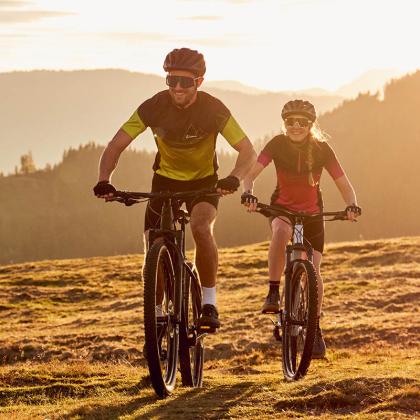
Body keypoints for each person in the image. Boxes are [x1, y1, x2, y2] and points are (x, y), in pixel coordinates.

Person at [93, 48, 256, 331]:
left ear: (199, 82)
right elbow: (115, 145)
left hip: (204, 182)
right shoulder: (153, 106)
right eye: (171, 81)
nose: (177, 88)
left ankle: (209, 302)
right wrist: (104, 179)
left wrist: (234, 177)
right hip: (165, 182)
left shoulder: (214, 109)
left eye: (185, 82)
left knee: (201, 227)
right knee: (152, 247)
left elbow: (247, 150)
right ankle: (155, 314)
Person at [241, 99, 361, 358]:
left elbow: (343, 183)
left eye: (302, 122)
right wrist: (248, 194)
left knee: (314, 269)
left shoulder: (322, 149)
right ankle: (274, 291)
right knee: (281, 232)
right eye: (290, 122)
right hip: (282, 209)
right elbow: (250, 175)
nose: (296, 126)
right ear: (284, 124)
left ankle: (314, 327)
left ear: (311, 125)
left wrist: (351, 205)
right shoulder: (276, 144)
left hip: (312, 215)